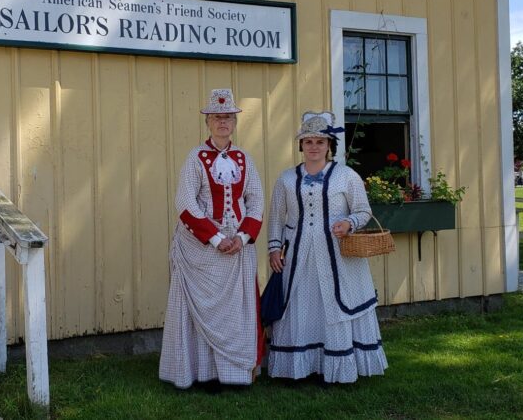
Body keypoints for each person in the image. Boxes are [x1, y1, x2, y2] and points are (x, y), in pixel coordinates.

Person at [265, 111, 388, 383]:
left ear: (330, 146)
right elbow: (276, 217)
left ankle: (339, 363)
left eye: (320, 142)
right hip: (298, 255)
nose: (314, 147)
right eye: (308, 142)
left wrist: (349, 223)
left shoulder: (346, 176)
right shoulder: (286, 179)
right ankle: (298, 365)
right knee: (300, 305)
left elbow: (363, 211)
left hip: (338, 254)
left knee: (336, 302)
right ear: (301, 145)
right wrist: (274, 249)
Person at [159, 88, 265, 389]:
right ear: (208, 122)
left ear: (234, 123)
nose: (223, 123)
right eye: (217, 118)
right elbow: (186, 203)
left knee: (236, 311)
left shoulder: (245, 158)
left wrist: (242, 238)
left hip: (238, 247)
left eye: (228, 118)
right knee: (199, 311)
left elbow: (256, 199)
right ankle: (202, 372)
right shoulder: (195, 157)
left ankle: (231, 373)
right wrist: (217, 239)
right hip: (201, 248)